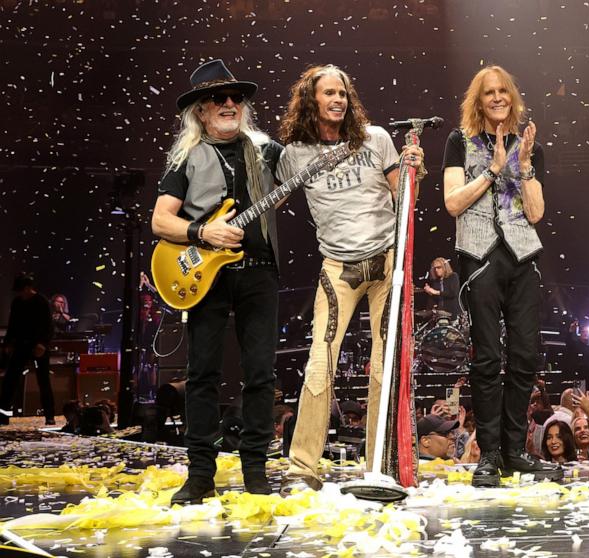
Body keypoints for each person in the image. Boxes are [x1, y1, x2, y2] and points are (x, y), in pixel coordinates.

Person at [275, 64, 424, 493]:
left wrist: (417, 168)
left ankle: (379, 466)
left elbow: (406, 193)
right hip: (337, 268)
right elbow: (271, 199)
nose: (338, 99)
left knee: (382, 366)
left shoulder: (375, 138)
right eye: (329, 94)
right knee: (319, 363)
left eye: (343, 92)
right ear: (311, 101)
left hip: (384, 264)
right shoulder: (295, 154)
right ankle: (303, 467)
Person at [151, 59, 283, 504]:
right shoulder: (186, 158)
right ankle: (200, 475)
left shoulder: (267, 152)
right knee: (202, 374)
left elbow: (312, 167)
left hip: (259, 273)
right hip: (205, 278)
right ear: (201, 112)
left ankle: (255, 471)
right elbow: (159, 220)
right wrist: (202, 232)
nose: (230, 104)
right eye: (218, 99)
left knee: (261, 374)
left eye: (236, 98)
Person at [443, 65, 562, 487]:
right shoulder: (459, 142)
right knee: (489, 357)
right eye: (488, 92)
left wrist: (523, 165)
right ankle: (489, 453)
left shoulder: (531, 148)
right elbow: (453, 203)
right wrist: (492, 171)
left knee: (526, 355)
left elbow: (535, 213)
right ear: (478, 100)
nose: (496, 98)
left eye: (503, 92)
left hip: (522, 257)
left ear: (512, 98)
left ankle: (515, 451)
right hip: (480, 257)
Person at [0, 273, 55, 426]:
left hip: (38, 346)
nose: (19, 294)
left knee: (43, 381)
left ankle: (49, 415)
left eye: (21, 290)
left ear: (28, 288)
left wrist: (43, 344)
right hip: (21, 345)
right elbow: (13, 325)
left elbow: (49, 326)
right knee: (10, 380)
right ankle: (3, 415)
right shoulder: (17, 302)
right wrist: (8, 343)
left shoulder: (41, 301)